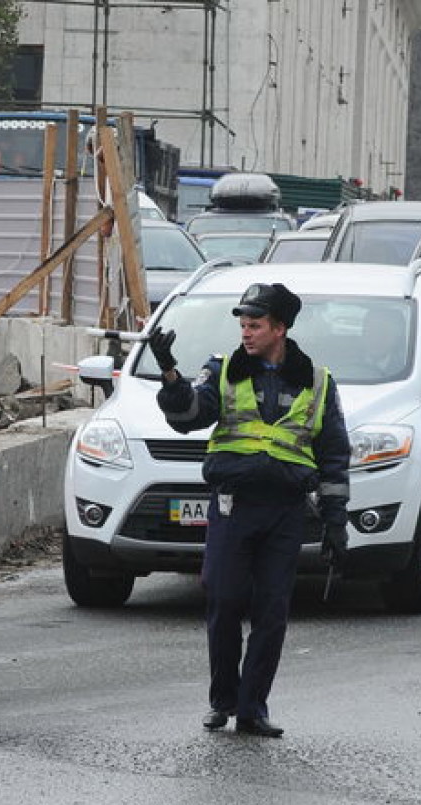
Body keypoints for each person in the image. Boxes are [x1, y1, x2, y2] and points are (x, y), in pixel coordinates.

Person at [149, 282, 350, 737]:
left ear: (279, 328)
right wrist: (170, 376)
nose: (246, 332)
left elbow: (335, 456)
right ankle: (222, 700)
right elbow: (188, 418)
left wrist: (336, 525)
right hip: (233, 505)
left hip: (285, 511)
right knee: (223, 598)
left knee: (272, 611)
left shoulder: (319, 382)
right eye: (242, 324)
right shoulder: (223, 370)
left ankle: (252, 708)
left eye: (255, 325)